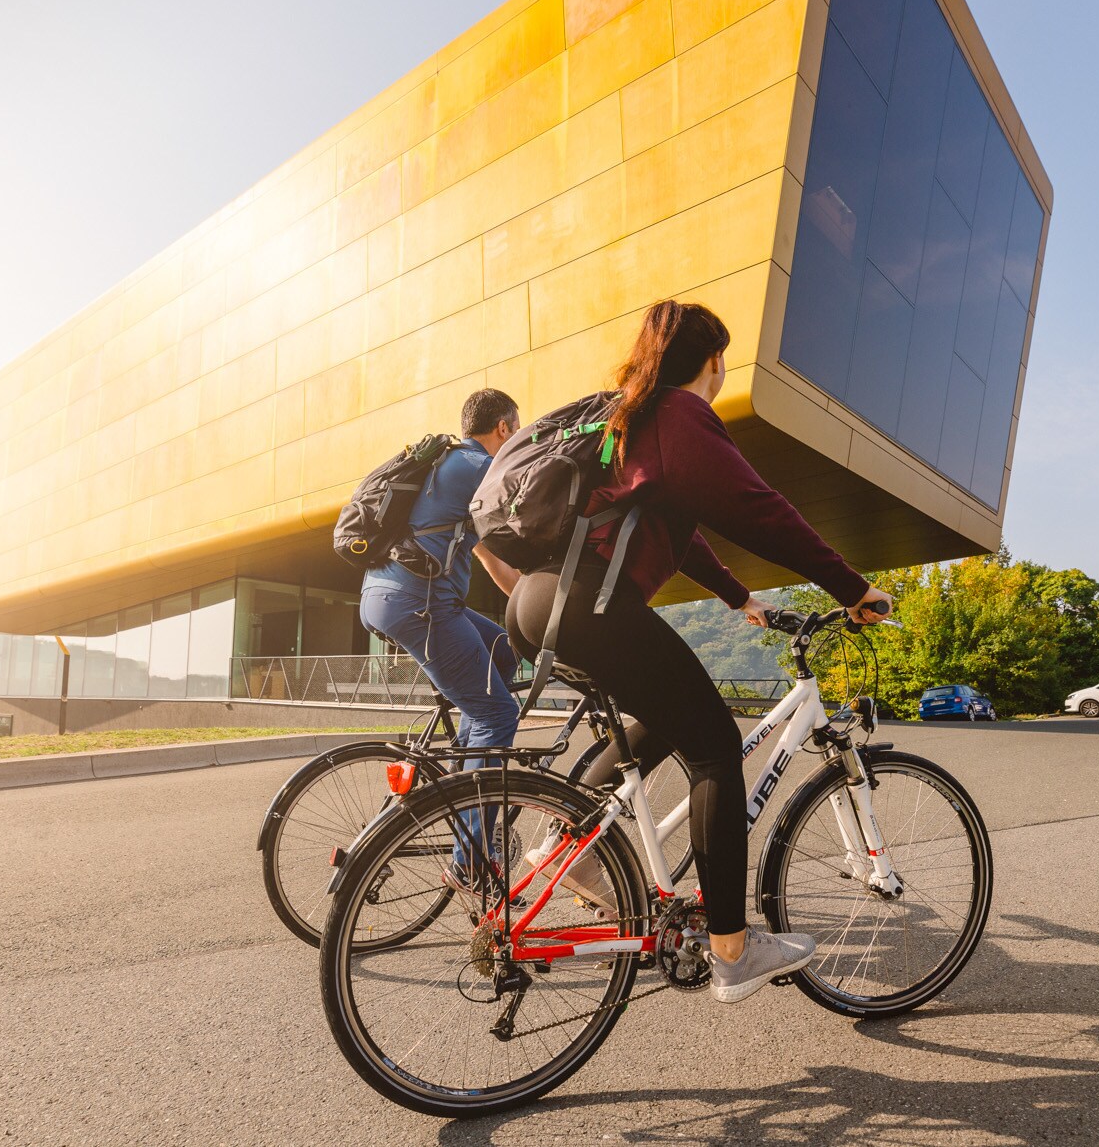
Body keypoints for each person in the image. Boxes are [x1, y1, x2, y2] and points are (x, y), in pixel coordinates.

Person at [505, 300, 892, 1004]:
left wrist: (737, 596)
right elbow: (760, 507)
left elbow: (680, 526)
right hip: (591, 607)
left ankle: (574, 855)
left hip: (540, 599)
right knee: (715, 742)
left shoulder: (632, 413)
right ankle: (732, 948)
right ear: (712, 360)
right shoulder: (681, 416)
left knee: (667, 716)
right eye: (724, 361)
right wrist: (852, 586)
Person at [359, 387, 524, 893]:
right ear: (503, 428)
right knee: (497, 713)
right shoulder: (480, 467)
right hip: (419, 604)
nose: (515, 441)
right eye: (515, 431)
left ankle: (465, 772)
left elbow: (492, 557)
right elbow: (530, 532)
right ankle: (469, 859)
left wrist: (530, 602)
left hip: (399, 597)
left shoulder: (452, 467)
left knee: (503, 652)